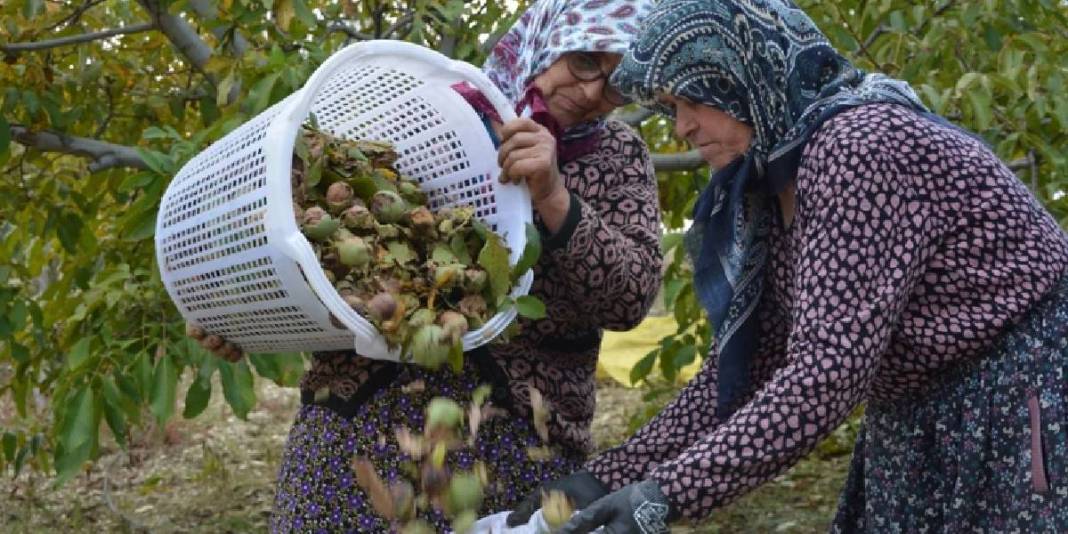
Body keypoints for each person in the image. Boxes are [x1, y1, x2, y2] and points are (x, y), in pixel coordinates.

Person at [505, 0, 1068, 532]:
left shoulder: (858, 147)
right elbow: (746, 369)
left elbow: (825, 375)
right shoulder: (772, 184)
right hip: (919, 418)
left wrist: (666, 494)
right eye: (673, 110)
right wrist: (606, 477)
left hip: (1014, 403)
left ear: (738, 78)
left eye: (690, 101)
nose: (681, 129)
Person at [187, 0, 660, 531]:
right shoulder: (432, 116)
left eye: (618, 84)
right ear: (548, 41)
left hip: (512, 443)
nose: (594, 92)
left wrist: (554, 197)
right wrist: (242, 312)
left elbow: (628, 300)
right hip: (355, 427)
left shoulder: (617, 156)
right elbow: (323, 250)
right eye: (585, 61)